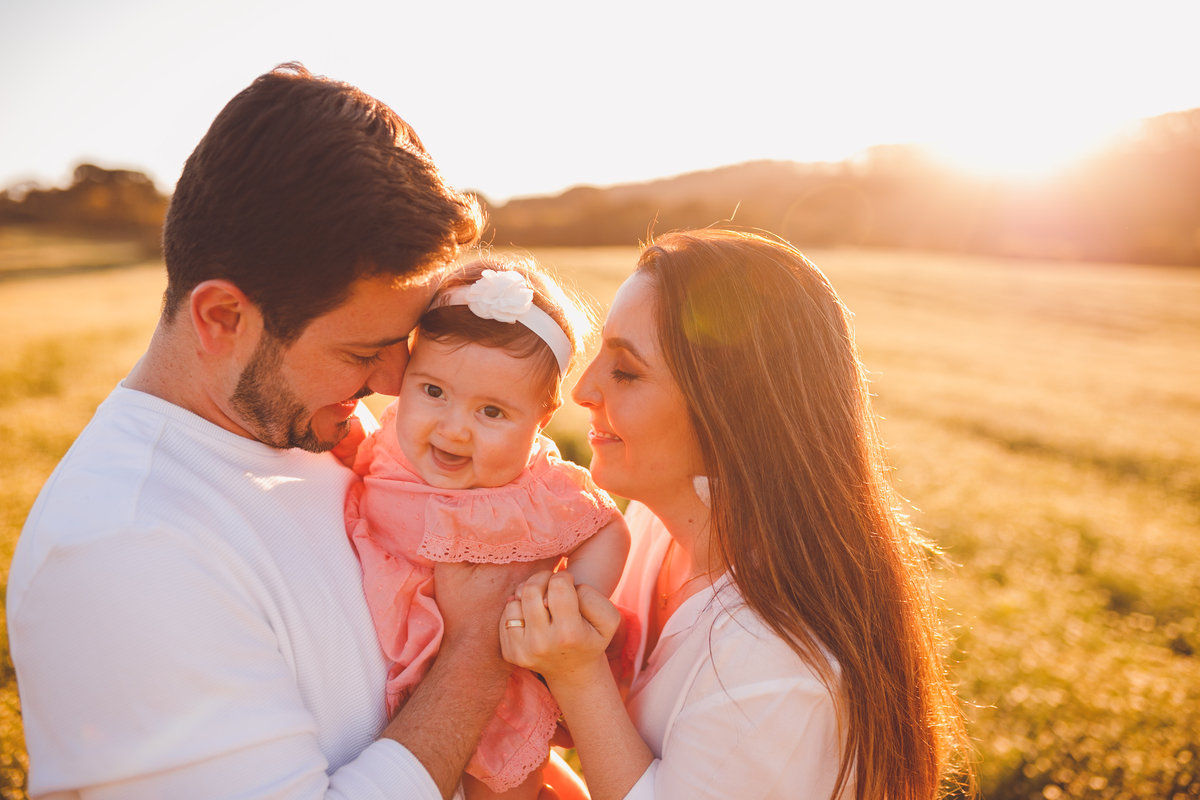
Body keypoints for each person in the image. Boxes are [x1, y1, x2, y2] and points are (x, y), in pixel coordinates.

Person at [7, 64, 543, 800]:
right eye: (361, 352)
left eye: (402, 343)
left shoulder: (319, 434)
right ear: (223, 317)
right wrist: (481, 651)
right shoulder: (123, 547)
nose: (394, 383)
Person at [499, 229, 972, 800]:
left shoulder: (776, 656)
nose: (582, 389)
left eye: (625, 371)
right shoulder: (654, 525)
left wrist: (579, 677)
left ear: (727, 412)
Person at [345, 256, 630, 798]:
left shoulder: (532, 490)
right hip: (401, 678)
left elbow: (606, 527)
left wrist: (561, 609)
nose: (453, 429)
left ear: (541, 419)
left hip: (498, 689)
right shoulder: (390, 442)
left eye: (492, 412)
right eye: (433, 392)